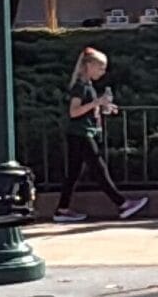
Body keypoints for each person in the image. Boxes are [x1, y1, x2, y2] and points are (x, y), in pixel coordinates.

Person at [56, 47, 149, 222]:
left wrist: (102, 107)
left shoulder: (87, 86)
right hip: (81, 133)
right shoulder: (80, 87)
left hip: (80, 132)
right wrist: (97, 103)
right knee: (98, 168)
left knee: (74, 172)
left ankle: (62, 209)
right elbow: (74, 112)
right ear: (89, 65)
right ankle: (122, 203)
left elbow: (85, 109)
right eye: (100, 68)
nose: (103, 72)